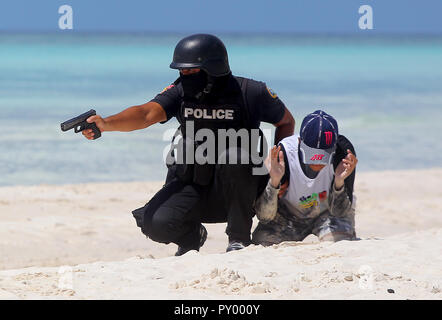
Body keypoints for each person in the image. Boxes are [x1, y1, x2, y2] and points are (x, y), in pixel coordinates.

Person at [81, 34, 295, 254]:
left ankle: (238, 239)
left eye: (190, 70)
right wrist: (107, 123)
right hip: (194, 182)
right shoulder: (181, 91)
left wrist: (280, 168)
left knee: (235, 157)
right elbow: (146, 114)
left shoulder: (251, 92)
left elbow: (286, 121)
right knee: (156, 223)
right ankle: (192, 238)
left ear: (214, 67)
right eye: (181, 71)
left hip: (243, 191)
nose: (184, 75)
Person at [252, 110, 358, 245]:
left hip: (328, 215)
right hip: (288, 216)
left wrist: (339, 182)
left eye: (323, 155)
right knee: (261, 242)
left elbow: (340, 212)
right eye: (312, 154)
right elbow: (264, 216)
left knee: (339, 244)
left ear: (334, 146)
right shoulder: (284, 154)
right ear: (299, 141)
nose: (318, 162)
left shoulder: (343, 153)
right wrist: (274, 181)